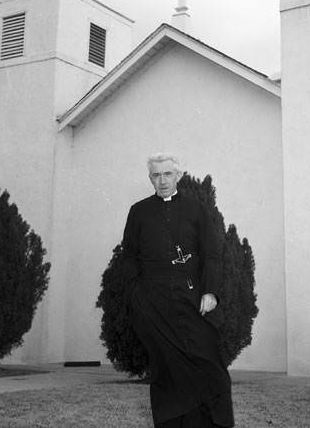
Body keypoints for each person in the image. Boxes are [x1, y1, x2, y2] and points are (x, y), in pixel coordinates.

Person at [121, 153, 234, 428]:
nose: (162, 181)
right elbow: (128, 257)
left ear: (178, 176)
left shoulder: (197, 209)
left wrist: (210, 292)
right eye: (156, 175)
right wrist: (138, 296)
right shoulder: (139, 211)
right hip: (154, 304)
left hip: (194, 300)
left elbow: (211, 254)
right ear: (150, 178)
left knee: (210, 364)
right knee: (167, 370)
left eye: (167, 174)